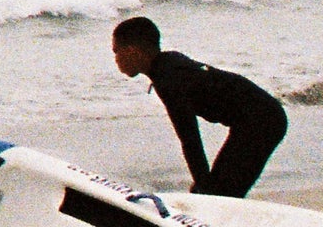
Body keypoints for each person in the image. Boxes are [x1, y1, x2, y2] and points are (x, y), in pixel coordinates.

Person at [112, 16, 290, 196]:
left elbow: (190, 139)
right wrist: (202, 185)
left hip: (263, 120)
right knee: (211, 189)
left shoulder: (168, 79)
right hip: (255, 118)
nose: (116, 59)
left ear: (133, 51)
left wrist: (204, 187)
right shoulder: (169, 63)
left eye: (116, 52)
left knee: (220, 194)